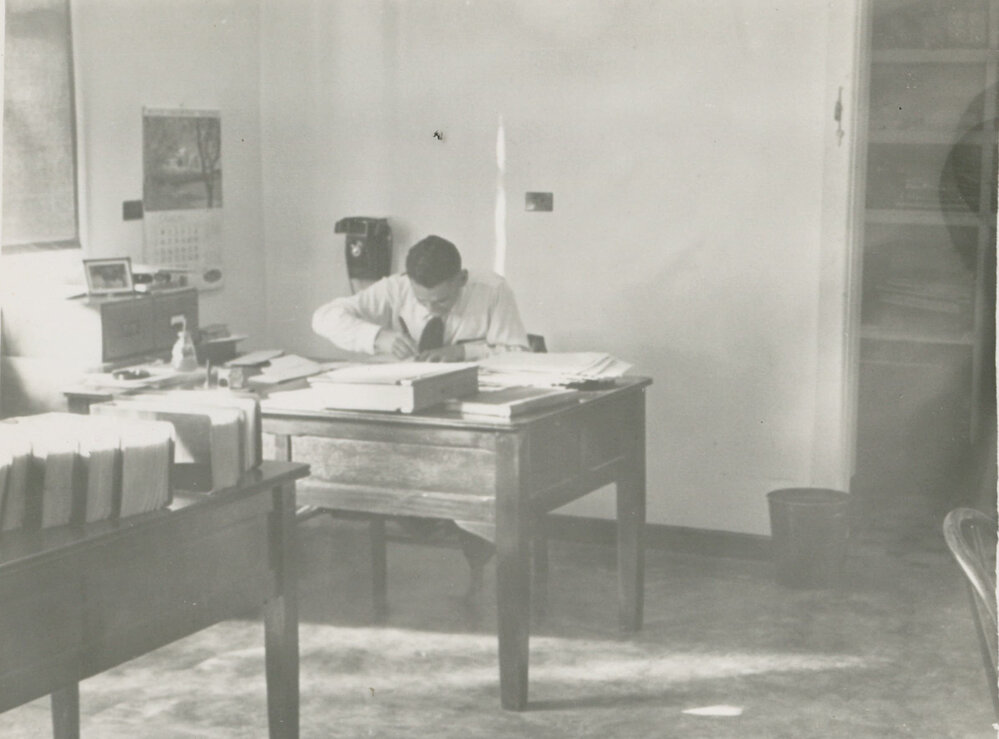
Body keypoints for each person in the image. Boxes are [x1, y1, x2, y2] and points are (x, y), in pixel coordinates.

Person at [312, 234, 530, 361]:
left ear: (462, 279)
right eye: (422, 301)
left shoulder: (493, 290)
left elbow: (518, 355)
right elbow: (323, 318)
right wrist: (378, 337)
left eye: (441, 301)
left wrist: (463, 352)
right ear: (409, 280)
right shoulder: (396, 287)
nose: (431, 309)